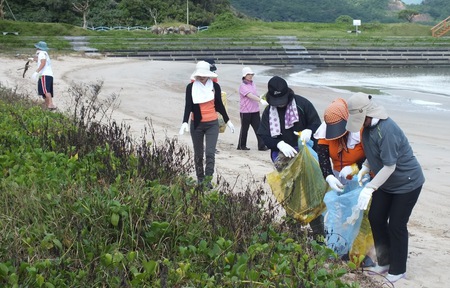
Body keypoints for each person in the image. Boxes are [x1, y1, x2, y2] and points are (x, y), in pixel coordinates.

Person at [346, 92, 425, 283]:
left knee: (397, 225)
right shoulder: (367, 128)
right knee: (376, 217)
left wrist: (370, 187)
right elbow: (374, 155)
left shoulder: (386, 130)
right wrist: (365, 168)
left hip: (407, 183)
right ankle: (385, 261)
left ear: (367, 114)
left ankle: (398, 269)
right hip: (386, 182)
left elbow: (390, 166)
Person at [257, 76, 323, 237]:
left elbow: (317, 125)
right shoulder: (268, 112)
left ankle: (319, 235)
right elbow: (264, 135)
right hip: (283, 156)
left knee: (311, 193)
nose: (280, 103)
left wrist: (309, 131)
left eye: (282, 99)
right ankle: (293, 233)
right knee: (291, 194)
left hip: (305, 155)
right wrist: (278, 144)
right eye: (276, 100)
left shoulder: (302, 104)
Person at [314, 97, 374, 267]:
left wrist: (356, 167)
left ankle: (361, 254)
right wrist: (328, 176)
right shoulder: (325, 130)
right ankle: (338, 248)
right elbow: (323, 155)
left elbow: (372, 155)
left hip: (362, 177)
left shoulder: (361, 130)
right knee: (339, 213)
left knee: (361, 215)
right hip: (339, 177)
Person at [179, 61, 235, 189]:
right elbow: (188, 106)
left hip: (212, 124)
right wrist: (184, 122)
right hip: (196, 124)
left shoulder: (215, 87)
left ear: (209, 75)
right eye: (200, 74)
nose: (202, 77)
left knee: (210, 152)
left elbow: (219, 105)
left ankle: (208, 179)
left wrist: (228, 121)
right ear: (196, 75)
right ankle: (200, 178)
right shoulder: (190, 87)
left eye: (204, 74)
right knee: (198, 153)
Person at [237, 67, 268, 151]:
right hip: (245, 111)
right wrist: (260, 100)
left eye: (251, 74)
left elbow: (255, 95)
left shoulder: (253, 84)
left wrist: (260, 97)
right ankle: (241, 145)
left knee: (259, 128)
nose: (250, 76)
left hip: (255, 110)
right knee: (244, 129)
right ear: (244, 76)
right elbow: (249, 95)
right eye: (248, 74)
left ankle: (261, 146)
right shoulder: (242, 86)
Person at [32, 41, 56, 110]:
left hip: (44, 74)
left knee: (45, 90)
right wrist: (32, 59)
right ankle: (47, 105)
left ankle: (50, 104)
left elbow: (43, 62)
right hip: (49, 75)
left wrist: (37, 71)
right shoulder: (45, 53)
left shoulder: (41, 53)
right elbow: (38, 59)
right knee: (44, 91)